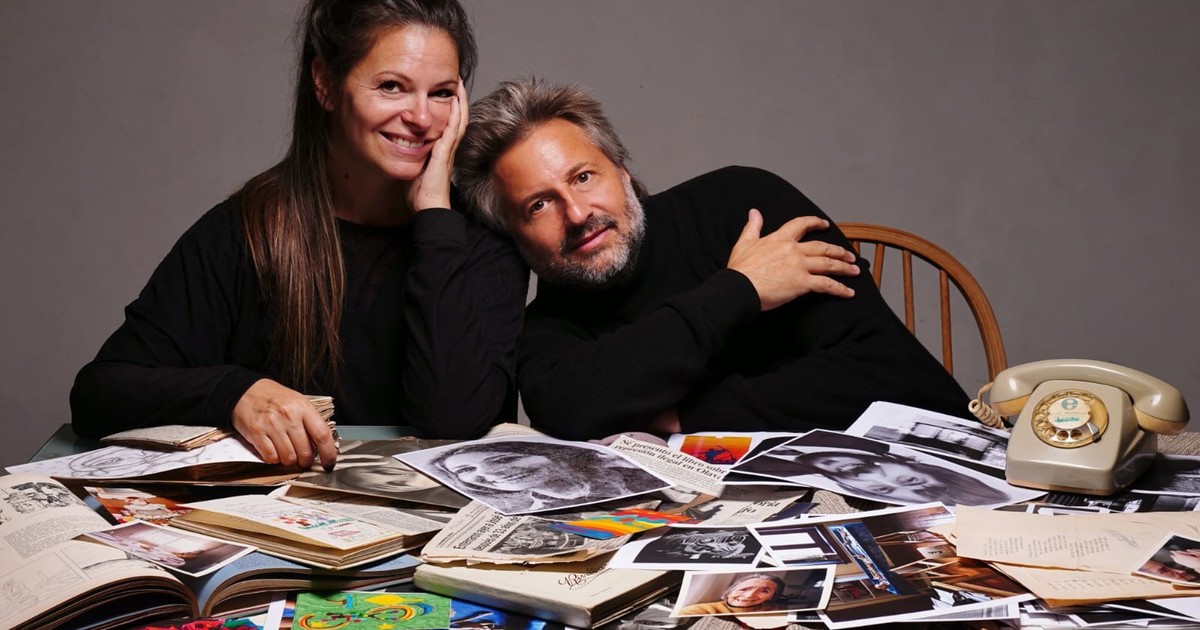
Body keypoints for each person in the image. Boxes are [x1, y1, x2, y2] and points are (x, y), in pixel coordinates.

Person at [69, 0, 528, 470]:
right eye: (392, 86)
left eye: (442, 93)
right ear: (325, 84)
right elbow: (98, 393)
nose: (422, 118)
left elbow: (452, 423)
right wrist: (234, 392)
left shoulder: (482, 241)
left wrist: (434, 217)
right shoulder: (246, 231)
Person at [454, 78, 969, 441]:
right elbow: (572, 410)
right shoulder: (546, 329)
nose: (576, 212)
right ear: (514, 233)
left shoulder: (741, 205)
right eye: (538, 205)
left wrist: (686, 416)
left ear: (623, 172)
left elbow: (887, 376)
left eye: (584, 177)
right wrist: (739, 289)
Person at [427, 439, 666, 513]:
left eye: (504, 459)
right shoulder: (535, 512)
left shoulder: (633, 471)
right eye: (465, 470)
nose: (489, 474)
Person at [678, 573, 789, 616]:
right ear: (729, 592)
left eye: (764, 591)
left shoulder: (778, 610)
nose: (749, 595)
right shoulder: (700, 610)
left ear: (772, 597)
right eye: (743, 589)